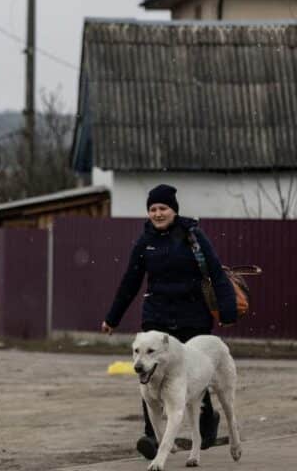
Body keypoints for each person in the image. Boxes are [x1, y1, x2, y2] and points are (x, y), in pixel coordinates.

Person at [101, 184, 238, 460]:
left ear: (173, 210)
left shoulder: (193, 237)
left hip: (192, 317)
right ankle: (153, 436)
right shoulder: (144, 242)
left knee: (192, 374)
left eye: (162, 208)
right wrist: (112, 317)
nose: (157, 213)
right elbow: (130, 282)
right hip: (157, 318)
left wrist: (227, 311)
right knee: (149, 377)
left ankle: (206, 417)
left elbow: (216, 273)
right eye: (152, 209)